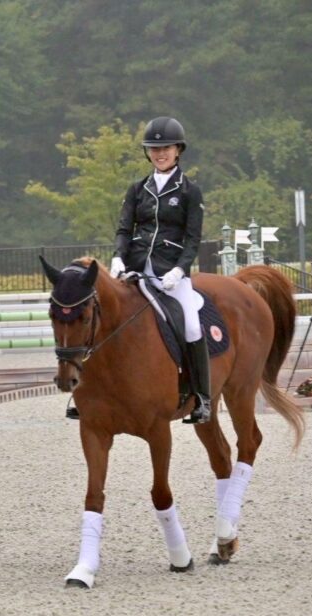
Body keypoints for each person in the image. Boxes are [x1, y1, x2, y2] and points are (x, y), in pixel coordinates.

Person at [110, 116, 210, 424]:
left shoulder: (190, 192)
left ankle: (201, 398)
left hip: (171, 274)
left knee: (192, 326)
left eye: (165, 148)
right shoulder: (137, 189)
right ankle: (89, 394)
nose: (160, 153)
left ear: (178, 150)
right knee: (103, 315)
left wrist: (179, 271)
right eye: (154, 149)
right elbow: (124, 229)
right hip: (136, 268)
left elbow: (192, 240)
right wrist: (118, 258)